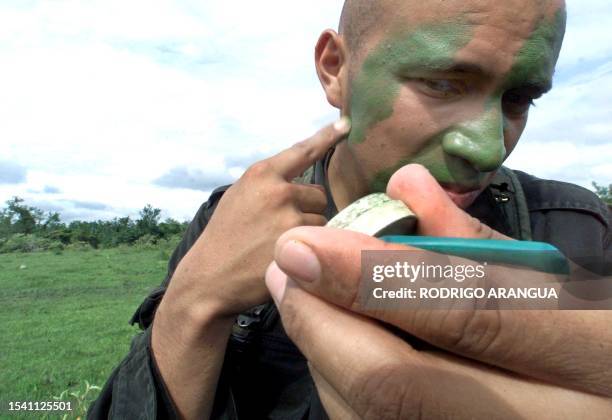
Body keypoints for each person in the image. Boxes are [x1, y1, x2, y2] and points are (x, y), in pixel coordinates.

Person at [90, 0, 612, 418]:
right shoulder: (232, 220)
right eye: (442, 83)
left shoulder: (577, 231)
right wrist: (193, 304)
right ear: (335, 69)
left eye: (519, 98)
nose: (488, 148)